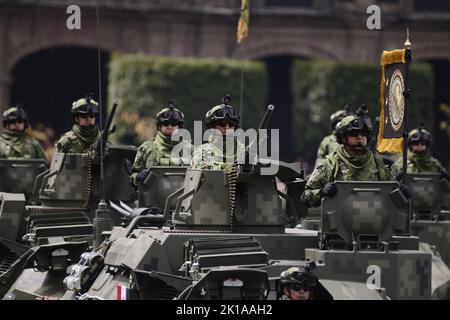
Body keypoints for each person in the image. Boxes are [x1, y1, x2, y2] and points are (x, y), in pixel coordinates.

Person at [302, 106, 399, 207]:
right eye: (354, 133)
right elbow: (305, 196)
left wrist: (402, 193)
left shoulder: (377, 163)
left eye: (363, 133)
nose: (360, 137)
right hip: (339, 221)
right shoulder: (331, 163)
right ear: (343, 137)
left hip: (374, 219)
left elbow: (394, 194)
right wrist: (321, 192)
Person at [130, 101, 192, 186]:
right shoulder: (147, 148)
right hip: (151, 197)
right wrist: (137, 176)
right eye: (166, 124)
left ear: (179, 126)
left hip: (183, 197)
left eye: (173, 124)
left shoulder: (190, 150)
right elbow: (132, 175)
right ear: (159, 126)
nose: (170, 127)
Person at [191, 95, 245, 170]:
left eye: (231, 123)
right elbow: (199, 173)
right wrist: (233, 168)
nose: (227, 127)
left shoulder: (244, 151)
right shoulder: (202, 152)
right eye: (222, 123)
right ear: (213, 126)